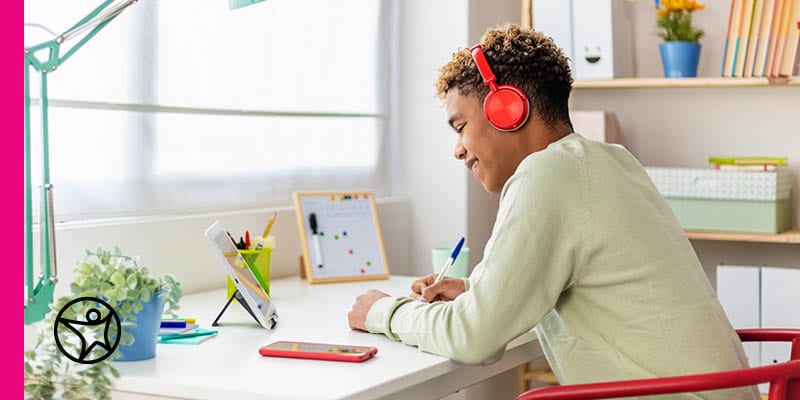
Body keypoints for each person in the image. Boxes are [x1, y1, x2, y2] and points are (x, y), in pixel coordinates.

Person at [347, 24, 757, 399]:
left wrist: (383, 311)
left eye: (459, 126)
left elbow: (474, 338)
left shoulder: (548, 174)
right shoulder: (610, 161)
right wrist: (478, 291)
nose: (457, 149)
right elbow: (591, 280)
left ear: (505, 109)